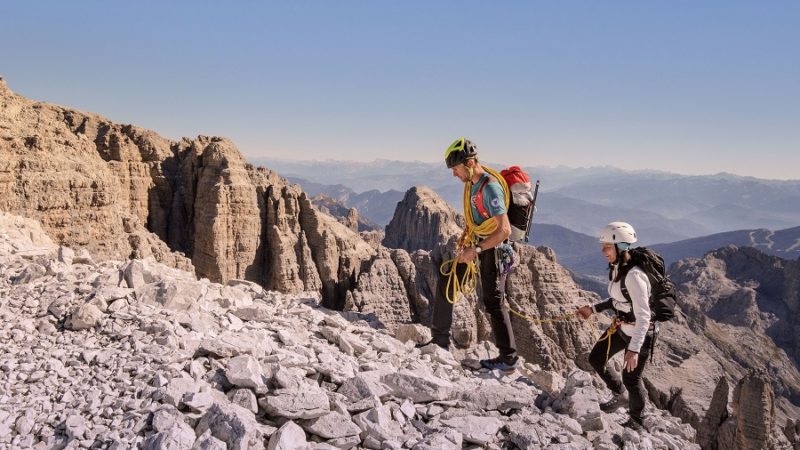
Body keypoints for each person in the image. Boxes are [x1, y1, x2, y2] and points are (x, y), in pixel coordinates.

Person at [421, 137, 518, 372]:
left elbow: (504, 229)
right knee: (447, 282)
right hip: (476, 245)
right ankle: (440, 341)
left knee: (494, 302)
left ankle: (508, 357)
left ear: (470, 162)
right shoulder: (472, 184)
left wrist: (475, 250)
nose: (454, 174)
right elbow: (477, 218)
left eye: (455, 168)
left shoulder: (490, 186)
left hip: (491, 250)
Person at [576, 221, 653, 431]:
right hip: (621, 327)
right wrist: (593, 308)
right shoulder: (617, 269)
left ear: (621, 247)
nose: (603, 251)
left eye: (607, 247)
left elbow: (644, 316)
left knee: (632, 378)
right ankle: (620, 395)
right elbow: (617, 300)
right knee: (596, 358)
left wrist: (634, 349)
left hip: (641, 333)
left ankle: (637, 421)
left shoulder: (635, 276)